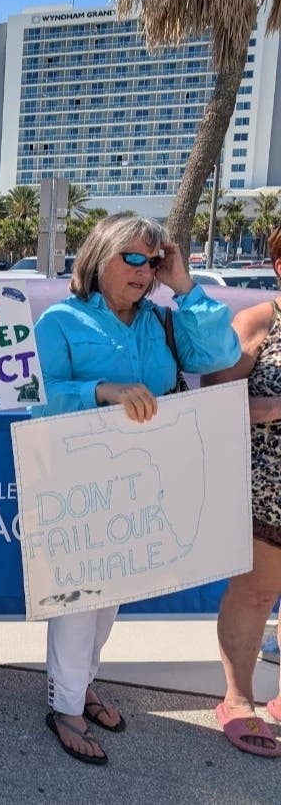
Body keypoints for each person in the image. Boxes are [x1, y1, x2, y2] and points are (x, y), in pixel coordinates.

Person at [33, 212, 238, 766]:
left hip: (145, 483)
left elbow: (218, 354)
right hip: (81, 481)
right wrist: (102, 391)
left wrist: (186, 282)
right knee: (78, 598)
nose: (145, 271)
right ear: (99, 255)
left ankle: (79, 685)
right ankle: (65, 704)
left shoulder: (165, 320)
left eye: (152, 261)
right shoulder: (59, 320)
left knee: (111, 597)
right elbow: (38, 395)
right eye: (133, 258)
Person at [204, 227, 281, 758]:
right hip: (267, 490)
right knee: (254, 595)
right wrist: (272, 409)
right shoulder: (259, 323)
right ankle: (238, 698)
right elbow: (213, 396)